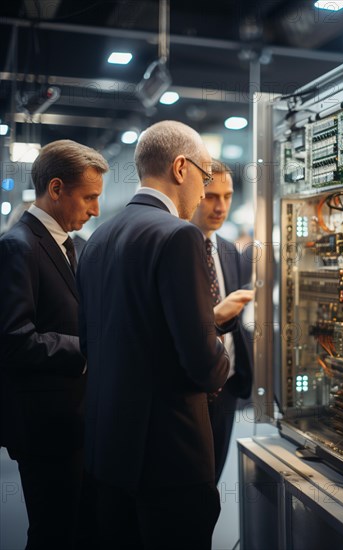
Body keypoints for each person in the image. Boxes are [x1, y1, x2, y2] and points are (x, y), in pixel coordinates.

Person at [76, 120, 253, 549]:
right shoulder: (179, 235)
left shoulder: (98, 239)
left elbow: (90, 342)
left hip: (108, 450)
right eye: (205, 175)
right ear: (180, 168)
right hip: (168, 456)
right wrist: (223, 351)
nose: (206, 188)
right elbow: (201, 362)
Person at [0, 139, 108, 549]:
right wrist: (88, 348)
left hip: (80, 421)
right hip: (44, 426)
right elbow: (13, 340)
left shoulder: (76, 246)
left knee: (85, 530)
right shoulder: (17, 247)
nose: (95, 209)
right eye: (89, 198)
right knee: (53, 533)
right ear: (57, 188)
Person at [191, 159, 254, 484]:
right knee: (189, 487)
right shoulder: (175, 247)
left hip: (227, 385)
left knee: (212, 481)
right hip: (191, 390)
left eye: (227, 196)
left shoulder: (229, 251)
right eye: (211, 196)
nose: (221, 206)